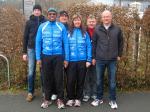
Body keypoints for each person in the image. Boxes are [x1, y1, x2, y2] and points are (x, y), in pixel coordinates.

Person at [36, 8, 69, 109]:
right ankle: (47, 99)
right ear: (47, 15)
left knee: (59, 78)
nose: (51, 15)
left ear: (56, 16)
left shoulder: (61, 26)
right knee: (46, 78)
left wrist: (66, 58)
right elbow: (38, 43)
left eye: (54, 14)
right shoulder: (42, 26)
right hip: (45, 56)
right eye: (50, 14)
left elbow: (66, 43)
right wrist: (38, 58)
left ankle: (60, 99)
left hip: (58, 56)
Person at [91, 10, 124, 109]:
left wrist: (119, 54)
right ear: (102, 18)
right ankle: (99, 98)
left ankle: (112, 100)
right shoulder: (97, 29)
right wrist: (93, 57)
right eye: (104, 17)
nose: (106, 18)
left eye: (108, 16)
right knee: (98, 80)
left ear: (111, 17)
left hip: (112, 59)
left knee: (112, 81)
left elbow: (121, 42)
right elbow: (94, 44)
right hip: (100, 59)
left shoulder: (117, 29)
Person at [66, 14, 92, 107]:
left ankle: (78, 99)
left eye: (78, 20)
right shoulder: (68, 32)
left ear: (81, 22)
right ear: (72, 22)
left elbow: (89, 46)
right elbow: (66, 47)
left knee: (80, 81)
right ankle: (70, 98)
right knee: (70, 81)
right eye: (75, 20)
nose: (77, 22)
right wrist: (66, 59)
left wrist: (88, 59)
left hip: (82, 60)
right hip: (71, 61)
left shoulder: (85, 33)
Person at [22, 4, 46, 102]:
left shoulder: (45, 22)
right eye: (35, 10)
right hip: (31, 49)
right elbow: (25, 37)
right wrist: (24, 52)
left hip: (42, 49)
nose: (37, 11)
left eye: (38, 10)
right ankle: (30, 92)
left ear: (41, 11)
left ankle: (45, 92)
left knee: (43, 71)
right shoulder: (29, 22)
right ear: (33, 11)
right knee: (31, 71)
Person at [83, 14, 97, 102]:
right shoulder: (83, 31)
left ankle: (94, 93)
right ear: (87, 22)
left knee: (95, 76)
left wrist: (94, 58)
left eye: (93, 22)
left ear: (95, 22)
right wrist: (88, 58)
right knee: (86, 77)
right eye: (90, 22)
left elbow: (99, 46)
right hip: (86, 58)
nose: (91, 23)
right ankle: (87, 93)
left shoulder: (98, 31)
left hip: (96, 58)